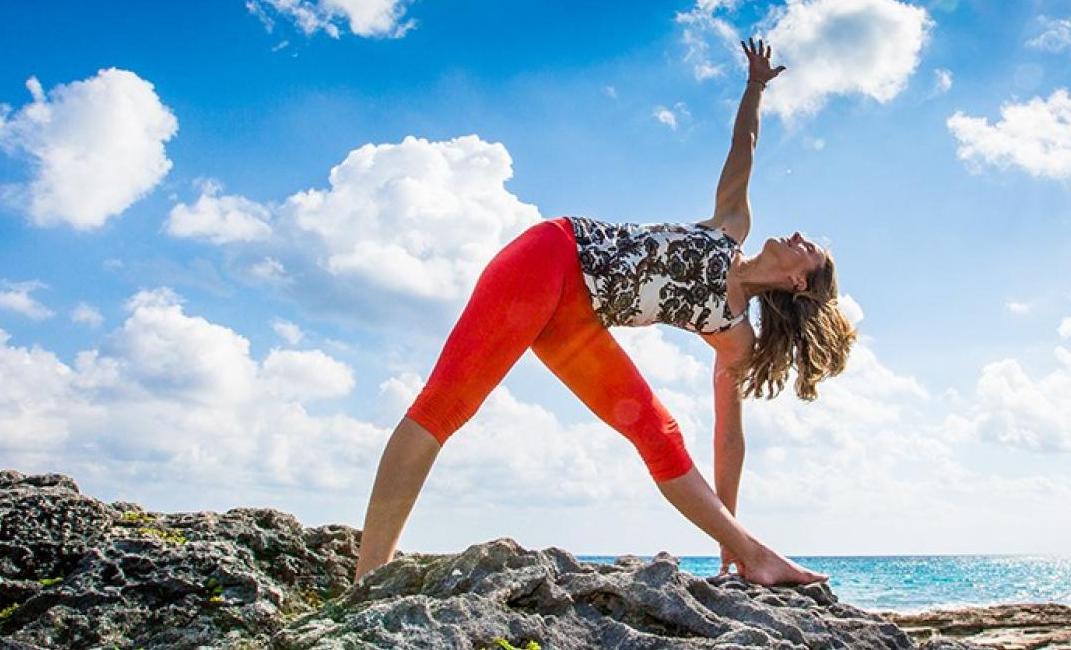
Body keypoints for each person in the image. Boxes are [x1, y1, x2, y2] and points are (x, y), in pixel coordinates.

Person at [353, 37, 858, 586]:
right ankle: (369, 575)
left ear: (797, 280)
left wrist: (725, 533)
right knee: (444, 406)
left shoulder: (734, 335)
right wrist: (756, 85)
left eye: (810, 249)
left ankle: (750, 555)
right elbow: (746, 145)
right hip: (551, 256)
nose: (801, 235)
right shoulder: (731, 226)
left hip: (575, 318)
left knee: (659, 434)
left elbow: (728, 437)